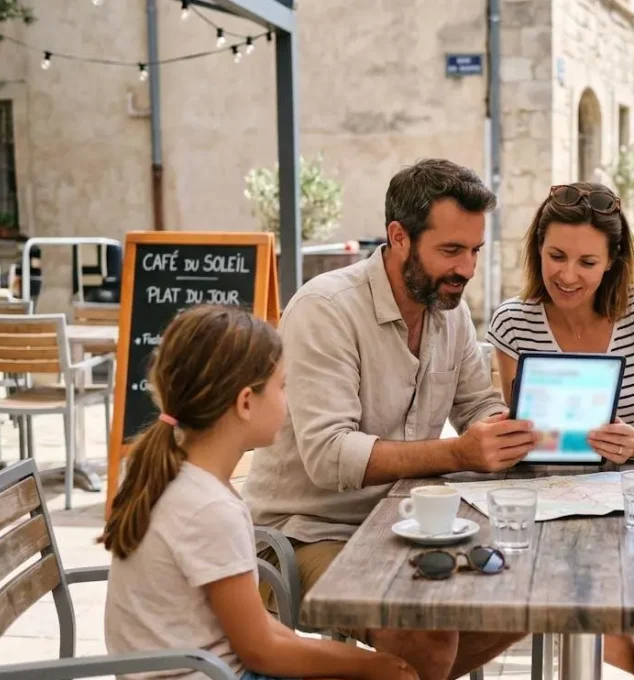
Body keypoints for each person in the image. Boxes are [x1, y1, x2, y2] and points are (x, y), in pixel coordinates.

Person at [244, 159, 532, 680]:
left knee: (520, 601)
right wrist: (459, 453)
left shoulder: (452, 310)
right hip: (303, 533)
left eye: (474, 251)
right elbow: (330, 455)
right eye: (450, 250)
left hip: (405, 522)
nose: (466, 269)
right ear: (399, 237)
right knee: (425, 632)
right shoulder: (325, 309)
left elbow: (476, 406)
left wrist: (512, 428)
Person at [102, 305, 417, 680]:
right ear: (246, 402)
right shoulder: (208, 508)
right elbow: (260, 650)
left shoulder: (185, 480)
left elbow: (259, 632)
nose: (288, 400)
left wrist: (362, 663)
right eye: (282, 386)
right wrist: (370, 665)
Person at [487, 183, 634, 680]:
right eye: (556, 255)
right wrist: (506, 431)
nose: (568, 275)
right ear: (538, 248)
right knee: (601, 630)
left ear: (612, 261)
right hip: (555, 506)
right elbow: (516, 423)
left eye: (587, 262)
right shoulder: (514, 323)